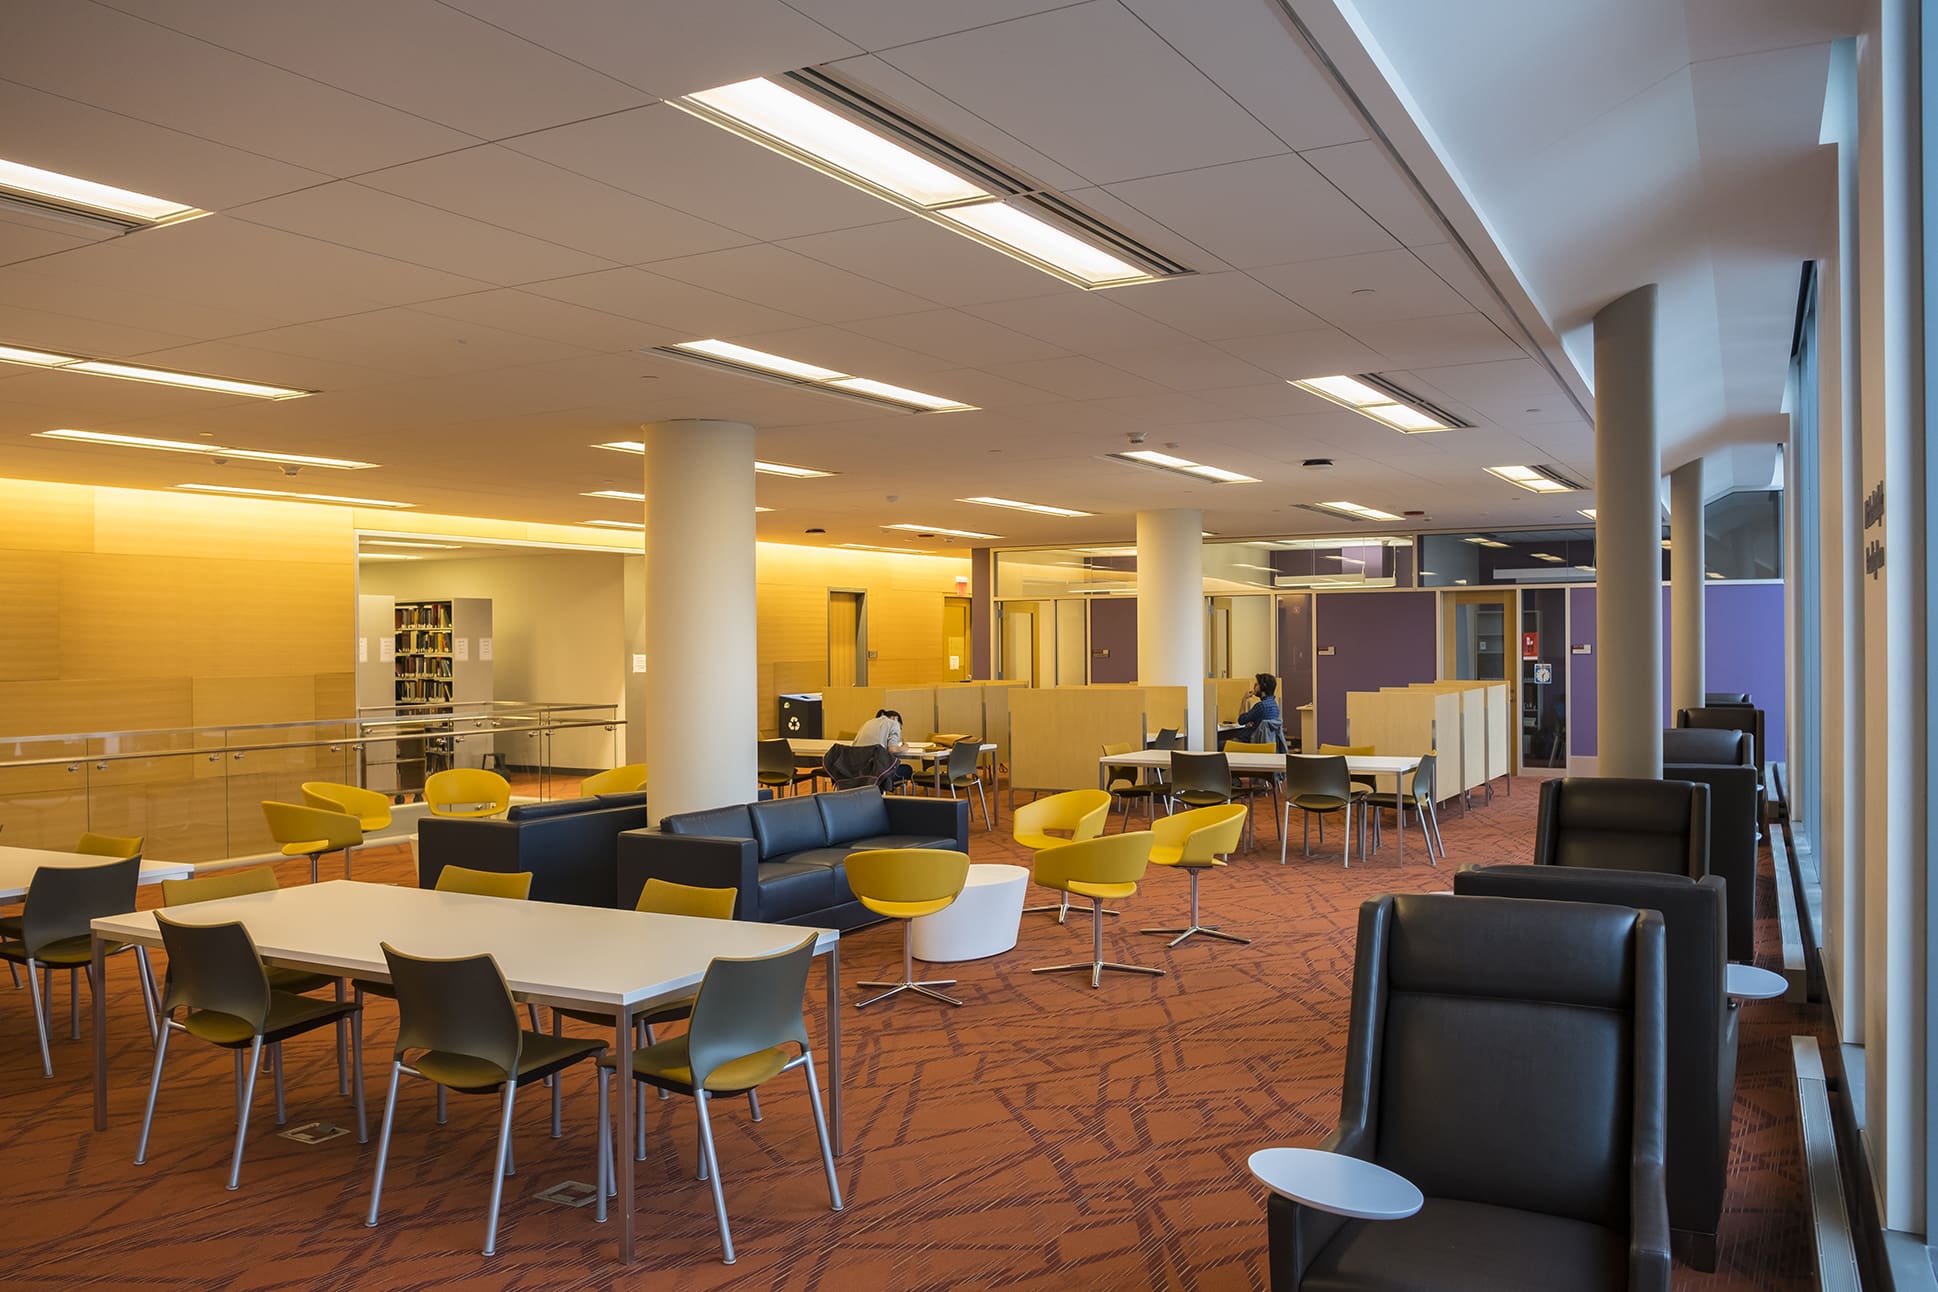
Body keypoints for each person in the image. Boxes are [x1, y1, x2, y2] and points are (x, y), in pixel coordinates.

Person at [852, 708, 914, 786]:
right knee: (907, 769)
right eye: (900, 728)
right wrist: (905, 747)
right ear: (895, 718)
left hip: (856, 771)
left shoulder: (868, 723)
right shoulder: (894, 723)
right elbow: (892, 749)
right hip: (877, 772)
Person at [1236, 673, 1281, 745]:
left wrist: (1244, 699)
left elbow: (1241, 720)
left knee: (1219, 744)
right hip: (1267, 743)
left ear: (1263, 686)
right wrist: (1254, 722)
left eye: (1256, 685)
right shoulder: (1274, 705)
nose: (1254, 687)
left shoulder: (1261, 706)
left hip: (1250, 742)